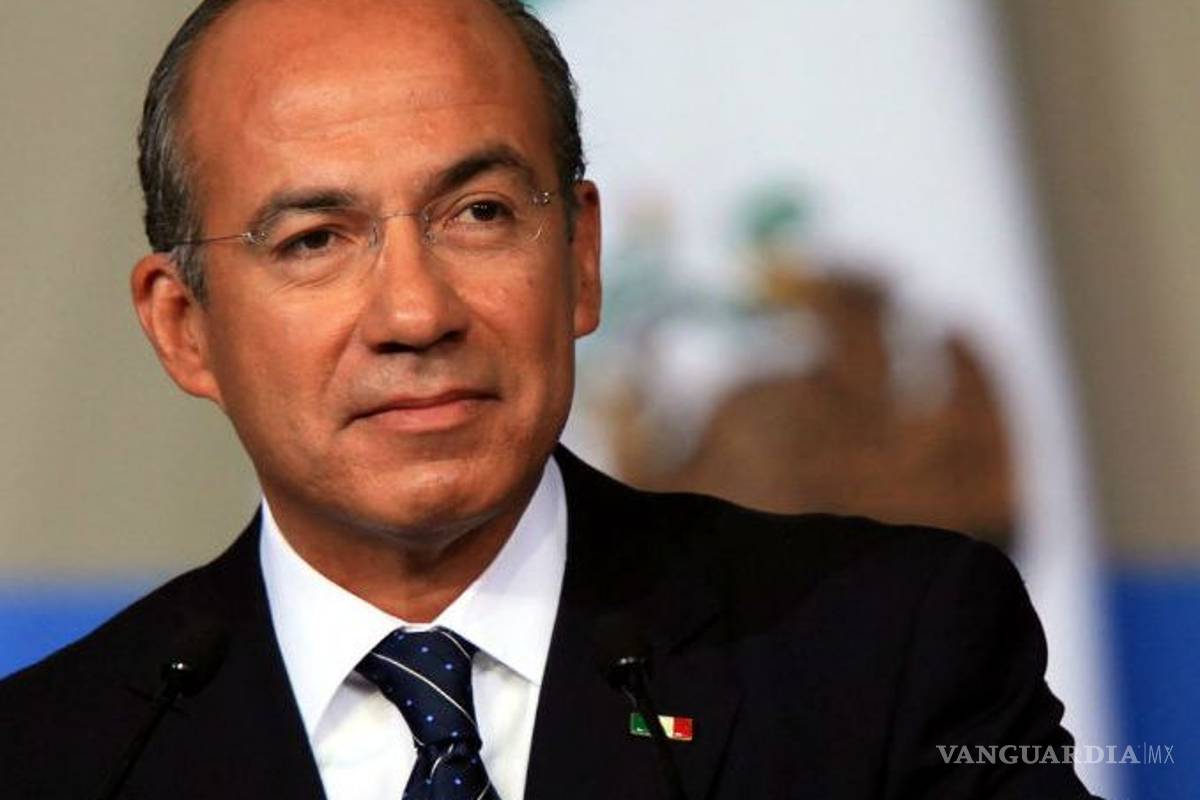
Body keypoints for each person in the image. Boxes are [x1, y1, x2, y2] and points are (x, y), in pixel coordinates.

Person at [0, 1, 1100, 798]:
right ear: (184, 326)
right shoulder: (54, 756)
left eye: (479, 213)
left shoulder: (886, 654)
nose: (415, 313)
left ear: (579, 259)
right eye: (316, 239)